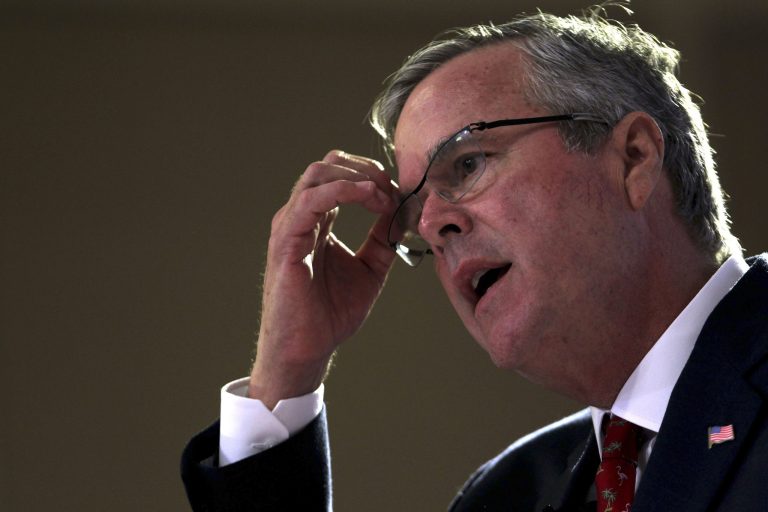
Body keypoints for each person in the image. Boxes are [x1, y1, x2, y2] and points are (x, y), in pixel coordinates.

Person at [181, 8, 768, 512]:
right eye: (413, 214)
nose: (434, 225)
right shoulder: (509, 491)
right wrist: (287, 372)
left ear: (634, 158)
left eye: (467, 165)